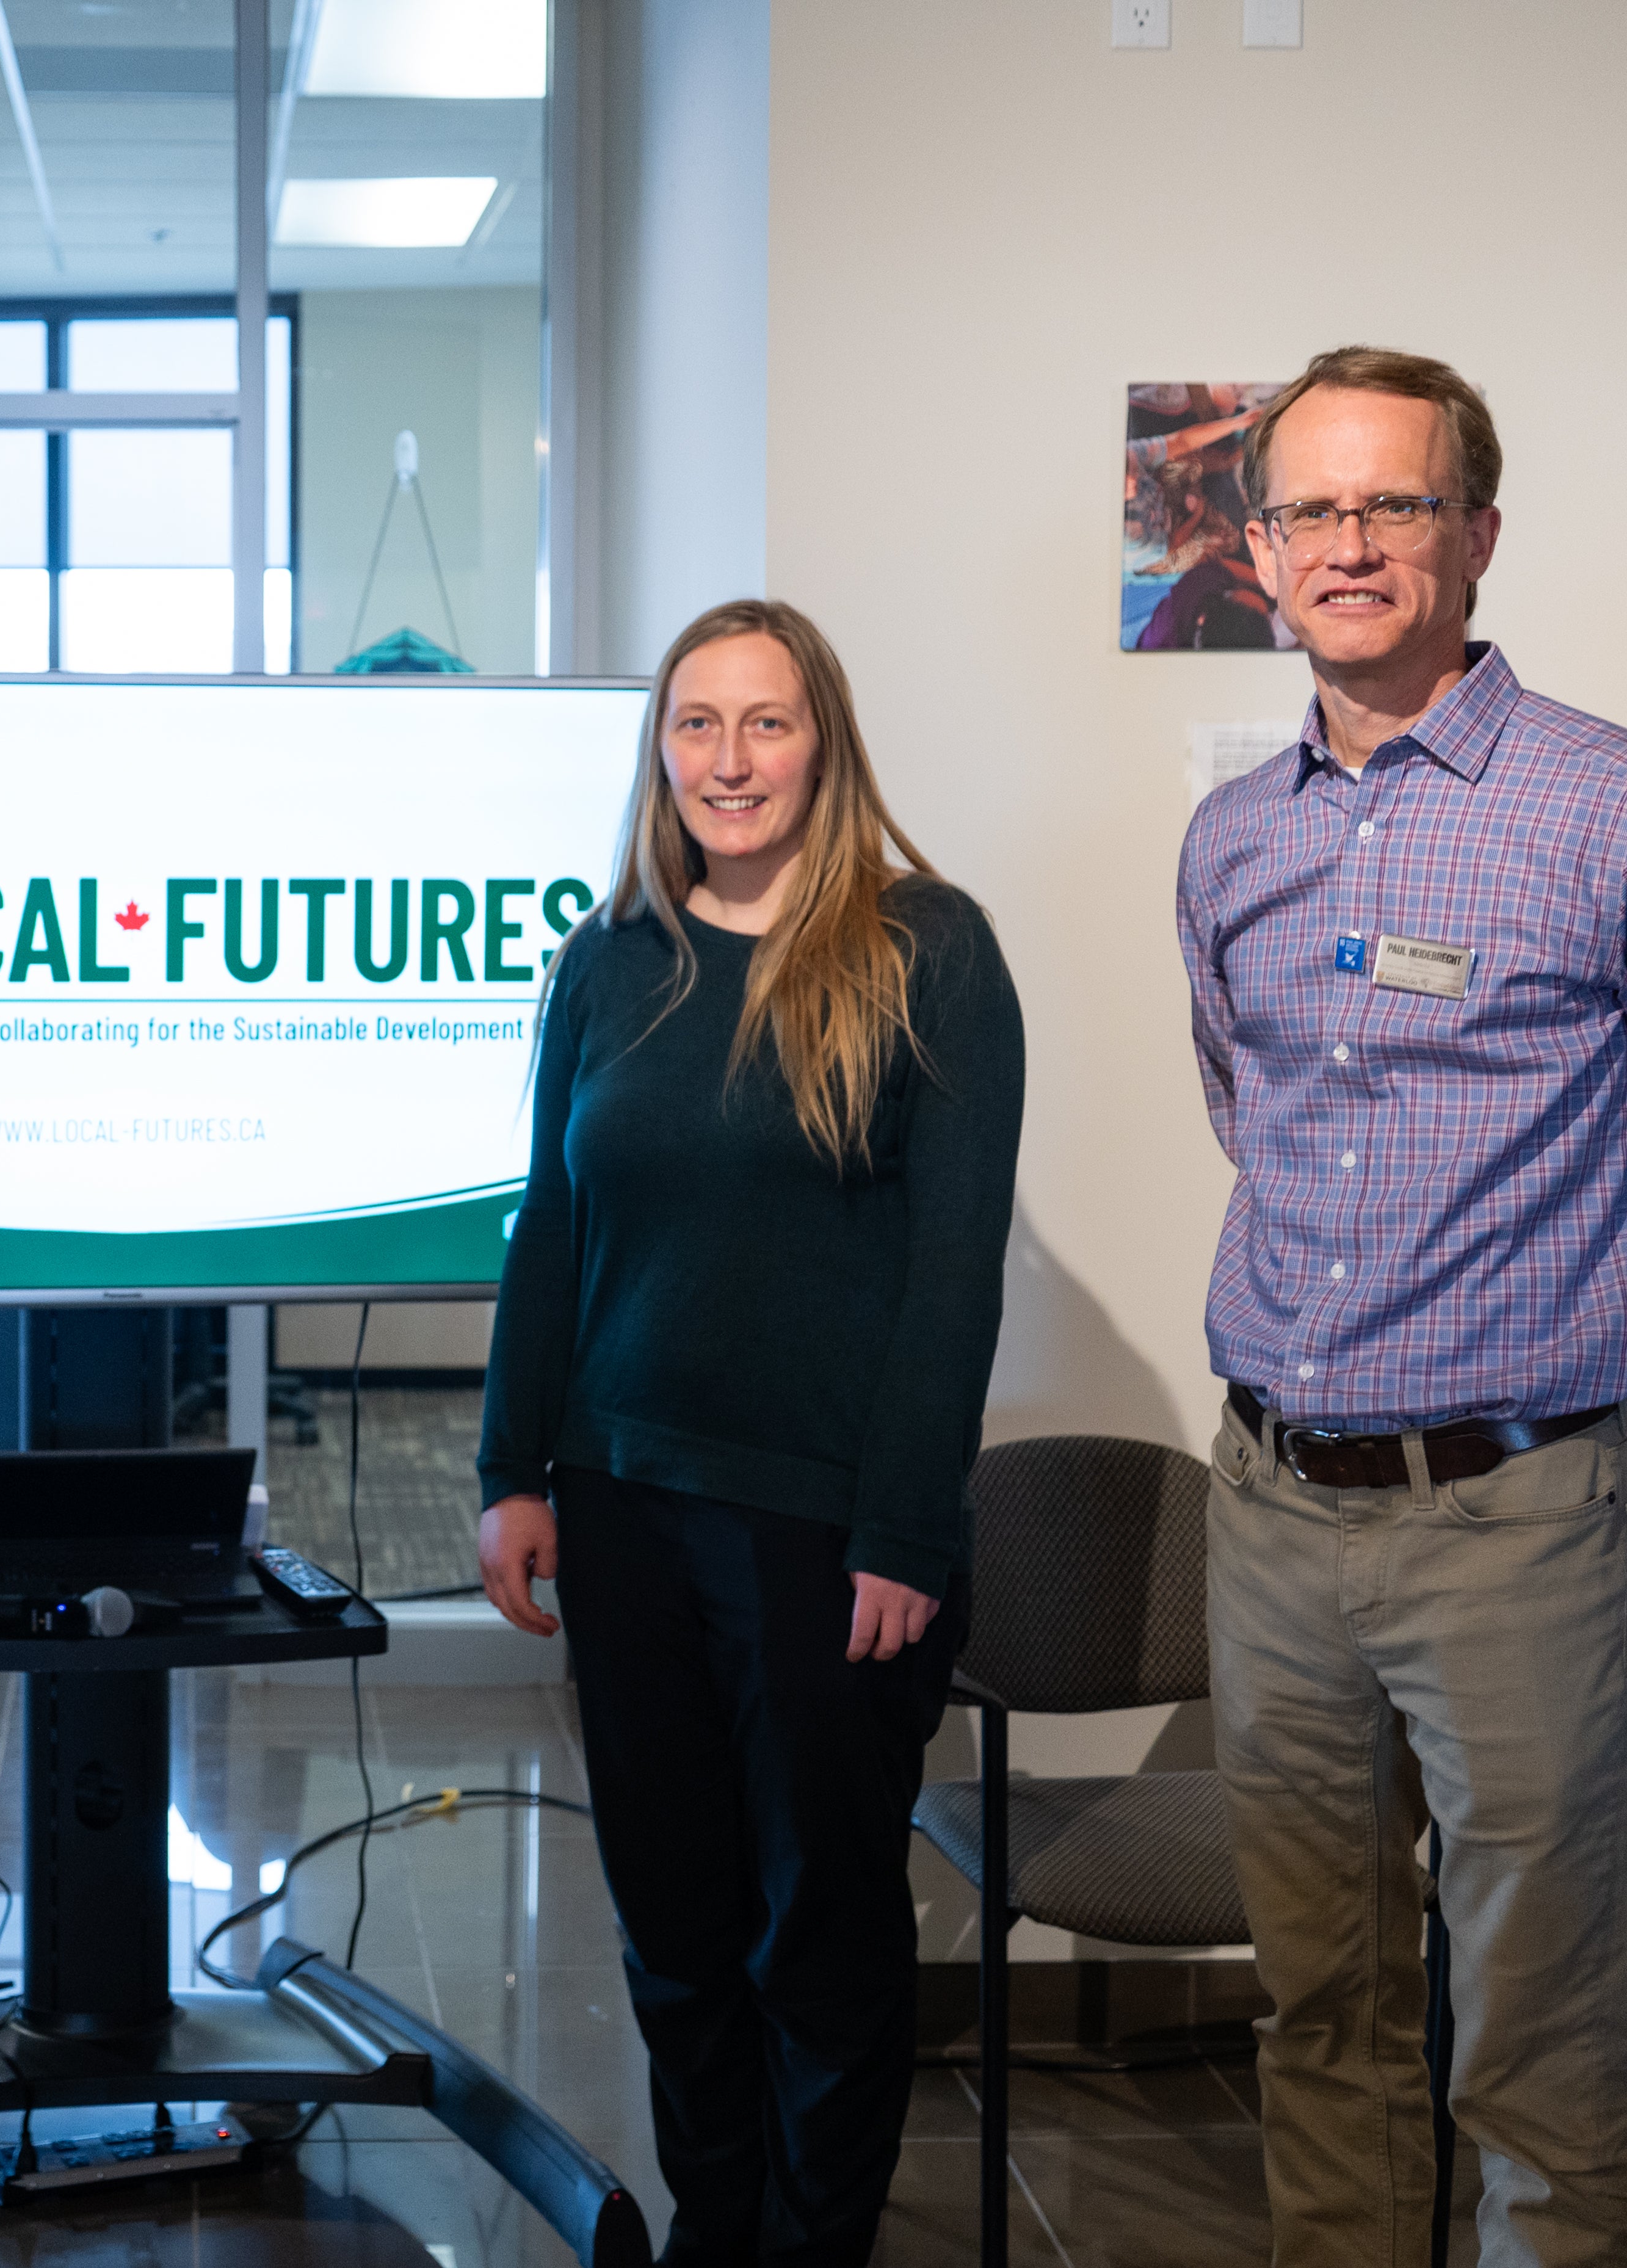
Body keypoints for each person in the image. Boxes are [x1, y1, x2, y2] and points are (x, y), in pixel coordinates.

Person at [1180, 345, 1627, 2267]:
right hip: (1271, 1513)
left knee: (1539, 2046)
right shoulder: (1235, 836)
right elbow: (1252, 1107)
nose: (1349, 543)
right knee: (1322, 2011)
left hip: (1519, 1527)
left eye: (1396, 503)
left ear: (1478, 534)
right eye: (1310, 510)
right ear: (1258, 549)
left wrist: (1596, 1369)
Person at [477, 599, 1024, 2267]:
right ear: (662, 749)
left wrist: (904, 1532)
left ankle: (815, 2244)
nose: (729, 758)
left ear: (824, 741)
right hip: (623, 1505)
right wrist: (512, 1467)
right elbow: (553, 1225)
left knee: (826, 1937)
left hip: (821, 1533)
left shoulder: (926, 948)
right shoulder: (611, 958)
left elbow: (952, 1274)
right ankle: (720, 2231)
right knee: (676, 1923)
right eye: (697, 723)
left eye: (765, 722)